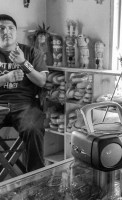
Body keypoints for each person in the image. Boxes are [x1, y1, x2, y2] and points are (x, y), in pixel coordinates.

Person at [0, 14, 48, 172]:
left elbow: (41, 81)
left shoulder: (32, 52)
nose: (6, 31)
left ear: (16, 31)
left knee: (33, 128)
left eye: (10, 28)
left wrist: (23, 63)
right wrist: (5, 78)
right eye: (1, 28)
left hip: (24, 105)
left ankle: (35, 181)